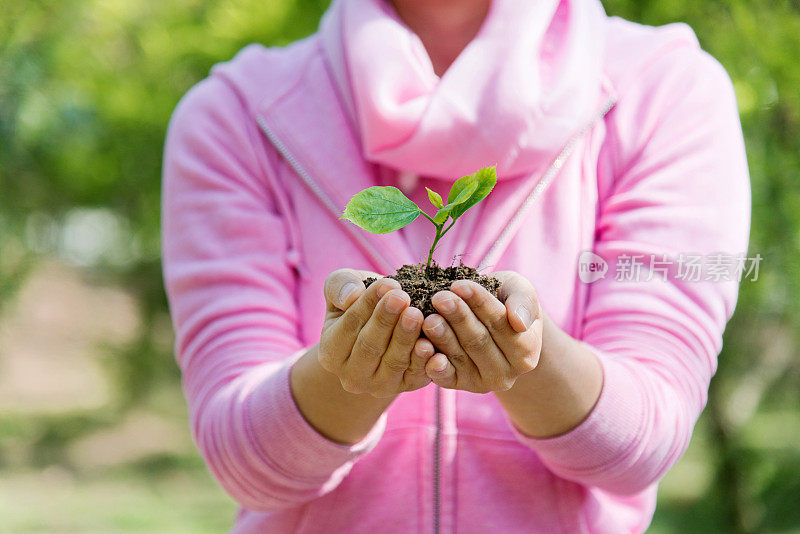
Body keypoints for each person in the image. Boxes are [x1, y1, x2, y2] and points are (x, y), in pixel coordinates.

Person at [161, 0, 750, 532]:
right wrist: (346, 370)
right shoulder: (237, 115)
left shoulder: (663, 89)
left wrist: (528, 353)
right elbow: (242, 461)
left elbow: (647, 439)